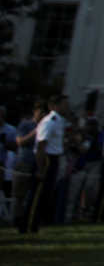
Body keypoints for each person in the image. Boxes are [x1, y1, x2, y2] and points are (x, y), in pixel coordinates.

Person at [14, 99, 64, 235]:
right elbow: (35, 145)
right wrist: (41, 169)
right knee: (28, 195)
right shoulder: (31, 124)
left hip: (41, 160)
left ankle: (32, 224)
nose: (42, 115)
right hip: (31, 161)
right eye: (40, 112)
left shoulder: (50, 122)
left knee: (41, 195)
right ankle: (25, 224)